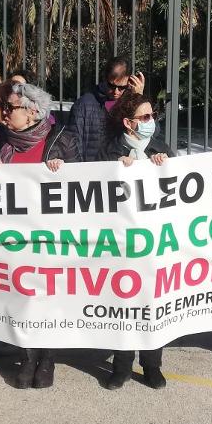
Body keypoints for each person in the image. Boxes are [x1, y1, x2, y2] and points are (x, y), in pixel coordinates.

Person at [0, 82, 79, 388]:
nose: (5, 113)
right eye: (6, 107)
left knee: (49, 296)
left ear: (33, 111)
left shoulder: (61, 139)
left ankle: (47, 359)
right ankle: (28, 356)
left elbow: (84, 184)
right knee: (22, 295)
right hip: (17, 237)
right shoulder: (3, 143)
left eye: (12, 107)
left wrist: (64, 171)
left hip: (51, 236)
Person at [101, 91, 172, 390]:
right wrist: (115, 168)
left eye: (152, 115)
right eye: (145, 117)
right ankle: (121, 365)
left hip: (155, 240)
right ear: (129, 123)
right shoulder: (110, 151)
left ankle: (152, 364)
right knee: (125, 302)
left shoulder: (161, 147)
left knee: (154, 302)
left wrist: (164, 165)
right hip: (122, 242)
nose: (151, 121)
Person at [70, 56, 144, 162]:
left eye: (122, 87)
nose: (116, 92)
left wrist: (138, 98)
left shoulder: (131, 102)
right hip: (93, 171)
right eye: (111, 86)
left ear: (129, 82)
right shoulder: (84, 104)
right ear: (104, 78)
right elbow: (72, 142)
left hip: (124, 170)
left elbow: (150, 133)